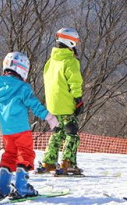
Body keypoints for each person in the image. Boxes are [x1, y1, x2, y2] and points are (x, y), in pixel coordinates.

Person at [0, 52, 59, 200]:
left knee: (9, 155)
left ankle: (2, 187)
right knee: (25, 154)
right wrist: (51, 118)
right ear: (23, 70)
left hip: (6, 131)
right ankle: (21, 187)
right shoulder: (23, 88)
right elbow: (35, 106)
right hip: (21, 130)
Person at [38, 28, 85, 175]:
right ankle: (68, 162)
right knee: (72, 133)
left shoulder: (50, 61)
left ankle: (48, 162)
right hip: (66, 104)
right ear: (70, 41)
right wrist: (78, 100)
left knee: (57, 133)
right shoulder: (70, 61)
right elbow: (75, 82)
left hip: (53, 105)